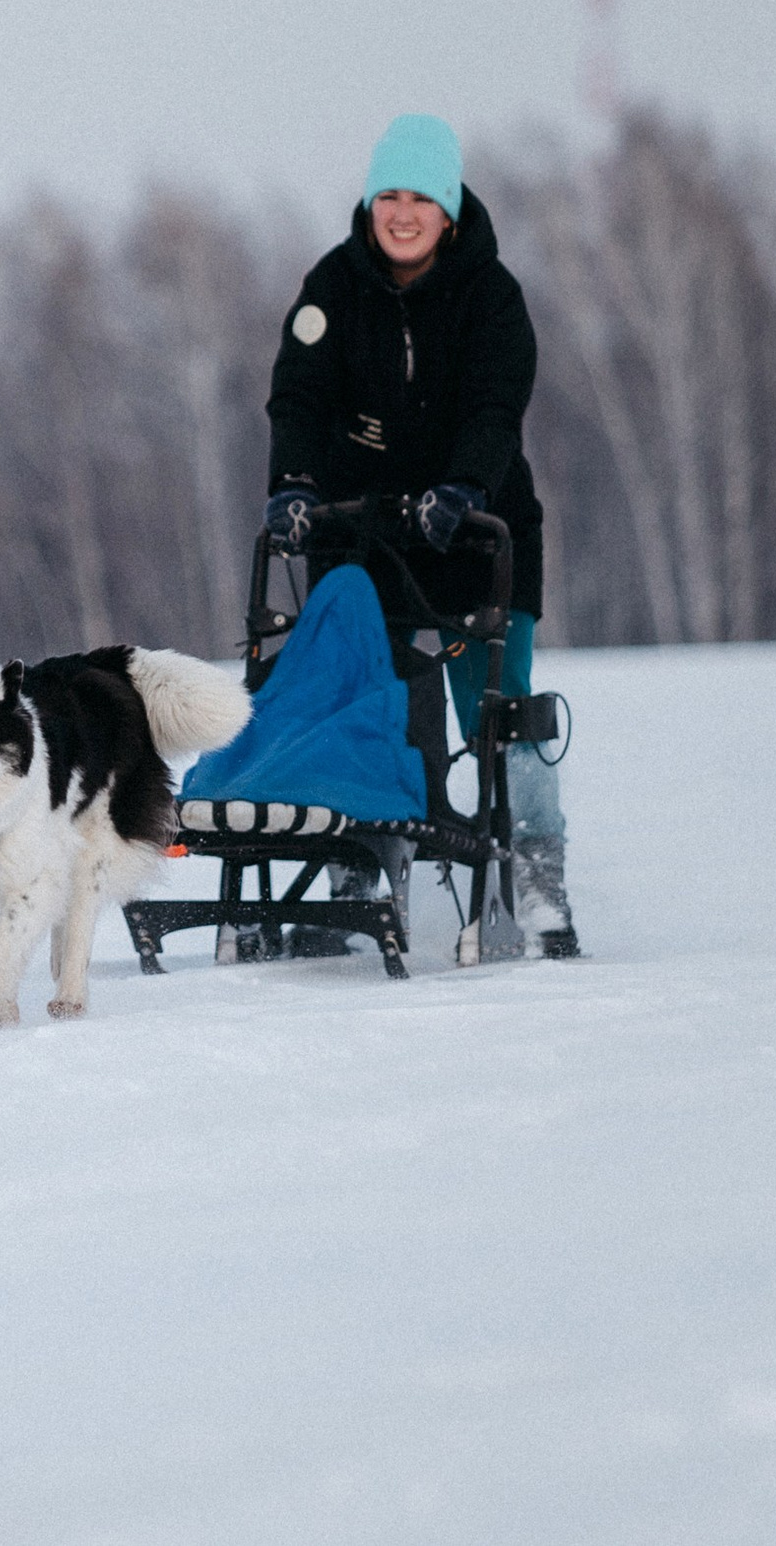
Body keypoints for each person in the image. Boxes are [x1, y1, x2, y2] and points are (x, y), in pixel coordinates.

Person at [260, 113, 578, 957]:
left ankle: (537, 873)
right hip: (368, 535)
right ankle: (367, 860)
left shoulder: (491, 295)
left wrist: (463, 484)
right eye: (388, 196)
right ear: (370, 204)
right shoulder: (332, 287)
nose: (402, 213)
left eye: (421, 198)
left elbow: (496, 404)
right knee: (382, 703)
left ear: (449, 209)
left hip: (478, 533)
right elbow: (298, 396)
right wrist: (292, 484)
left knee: (500, 707)